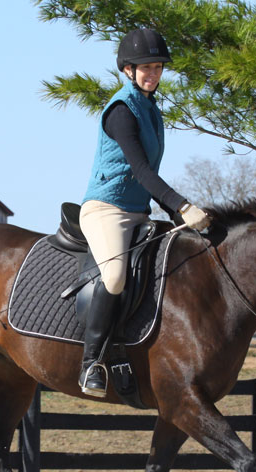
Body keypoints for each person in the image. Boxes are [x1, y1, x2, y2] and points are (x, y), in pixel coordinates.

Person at [77, 27, 211, 397]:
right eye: (144, 68)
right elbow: (141, 170)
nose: (152, 74)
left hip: (138, 212)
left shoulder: (151, 109)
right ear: (127, 70)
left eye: (157, 67)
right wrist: (181, 206)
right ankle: (91, 363)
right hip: (106, 210)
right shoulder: (122, 110)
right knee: (116, 275)